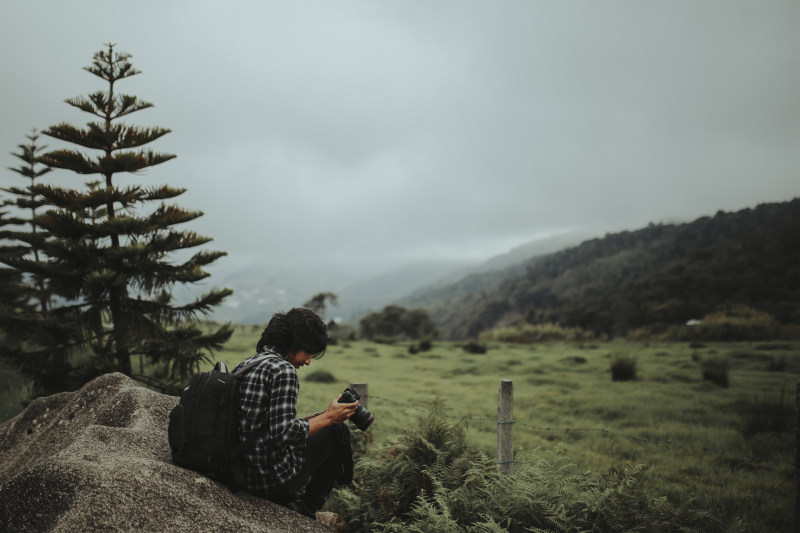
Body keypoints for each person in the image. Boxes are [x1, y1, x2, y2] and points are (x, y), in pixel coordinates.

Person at [233, 307, 358, 517]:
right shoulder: (284, 370)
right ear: (292, 343)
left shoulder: (249, 362)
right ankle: (307, 506)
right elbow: (282, 435)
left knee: (327, 423)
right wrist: (329, 418)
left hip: (239, 469)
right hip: (266, 480)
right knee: (337, 430)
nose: (308, 361)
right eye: (307, 352)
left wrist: (321, 416)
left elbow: (262, 424)